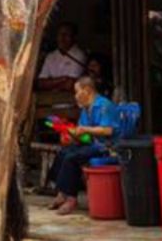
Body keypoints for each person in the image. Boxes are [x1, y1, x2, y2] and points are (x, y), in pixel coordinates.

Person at [47, 76, 118, 215]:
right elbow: (82, 134)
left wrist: (85, 130)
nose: (75, 96)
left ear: (87, 90)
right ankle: (62, 193)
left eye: (77, 91)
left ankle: (71, 198)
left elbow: (107, 130)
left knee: (72, 157)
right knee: (63, 152)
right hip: (92, 145)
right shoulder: (86, 109)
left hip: (107, 148)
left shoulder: (104, 105)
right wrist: (70, 135)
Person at [37, 22, 88, 92]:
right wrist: (63, 79)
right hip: (49, 98)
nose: (62, 37)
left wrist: (50, 82)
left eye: (66, 34)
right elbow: (40, 83)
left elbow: (70, 84)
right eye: (60, 34)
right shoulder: (50, 56)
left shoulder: (79, 55)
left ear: (74, 37)